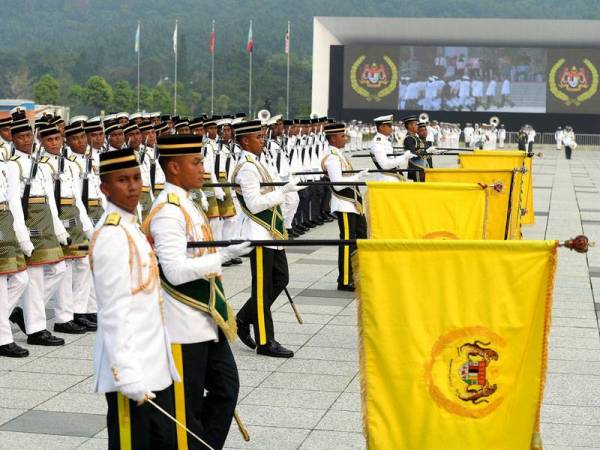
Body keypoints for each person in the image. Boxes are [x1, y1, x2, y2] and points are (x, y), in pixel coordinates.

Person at [143, 134, 250, 449]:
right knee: (184, 406)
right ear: (174, 167)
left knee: (226, 388)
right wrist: (224, 256)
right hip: (182, 324)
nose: (204, 169)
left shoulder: (186, 203)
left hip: (205, 319)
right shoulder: (168, 211)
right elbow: (174, 272)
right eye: (197, 162)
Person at [90, 148, 180, 450]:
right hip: (132, 371)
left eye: (136, 178)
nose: (132, 187)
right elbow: (114, 312)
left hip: (154, 365)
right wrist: (126, 375)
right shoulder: (112, 236)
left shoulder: (131, 227)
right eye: (122, 180)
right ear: (104, 188)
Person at [232, 119, 302, 358]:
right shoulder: (247, 167)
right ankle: (265, 341)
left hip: (270, 231)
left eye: (261, 137)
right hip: (259, 231)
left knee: (281, 278)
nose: (262, 141)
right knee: (262, 289)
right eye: (257, 138)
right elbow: (253, 203)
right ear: (244, 141)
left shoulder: (257, 162)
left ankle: (242, 318)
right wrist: (282, 192)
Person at [6, 117, 67, 346]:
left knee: (58, 270)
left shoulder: (39, 164)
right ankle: (36, 329)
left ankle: (26, 311)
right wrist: (22, 235)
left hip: (46, 221)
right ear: (13, 139)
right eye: (20, 137)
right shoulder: (13, 165)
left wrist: (59, 229)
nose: (26, 140)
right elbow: (14, 201)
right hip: (30, 220)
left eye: (28, 136)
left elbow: (51, 200)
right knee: (33, 277)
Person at [321, 122, 368, 292]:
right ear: (333, 138)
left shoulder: (338, 154)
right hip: (344, 204)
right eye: (342, 136)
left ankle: (356, 274)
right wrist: (357, 177)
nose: (345, 139)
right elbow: (338, 184)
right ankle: (345, 279)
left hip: (352, 203)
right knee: (347, 242)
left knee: (360, 238)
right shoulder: (332, 157)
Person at [0, 147, 29, 357]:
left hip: (5, 218)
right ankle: (3, 339)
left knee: (20, 278)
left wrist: (21, 233)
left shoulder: (3, 158)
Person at [370, 115, 414, 181]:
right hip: (387, 177)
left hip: (393, 175)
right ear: (381, 127)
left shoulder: (384, 140)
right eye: (389, 126)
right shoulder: (378, 143)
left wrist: (403, 155)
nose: (391, 128)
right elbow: (385, 165)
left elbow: (391, 157)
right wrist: (404, 157)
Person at [403, 116, 427, 182]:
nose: (417, 126)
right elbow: (412, 154)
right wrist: (426, 152)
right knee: (420, 189)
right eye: (416, 124)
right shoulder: (409, 139)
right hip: (416, 168)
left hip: (421, 167)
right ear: (410, 126)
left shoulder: (415, 137)